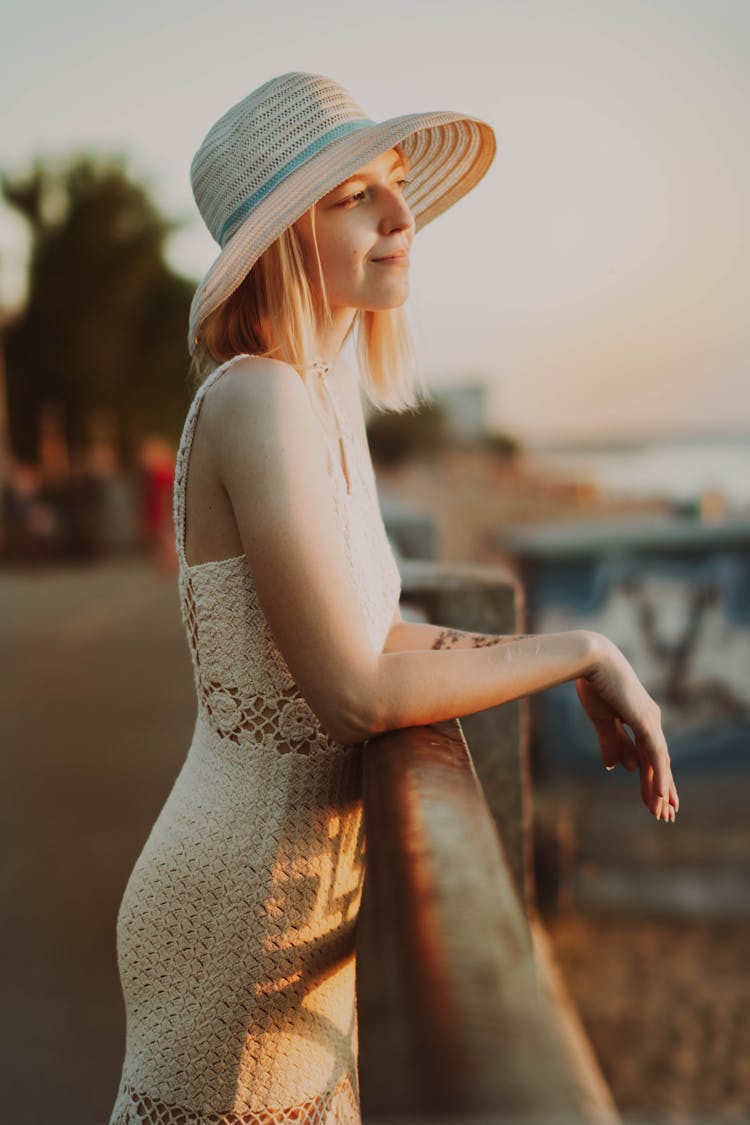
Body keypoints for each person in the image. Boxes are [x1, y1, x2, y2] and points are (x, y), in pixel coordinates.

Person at [109, 71, 679, 1125]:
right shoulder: (257, 398)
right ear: (284, 238)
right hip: (238, 919)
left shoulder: (323, 396)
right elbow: (361, 694)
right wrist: (588, 651)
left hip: (300, 916)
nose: (402, 217)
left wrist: (564, 647)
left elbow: (370, 631)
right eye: (354, 195)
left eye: (399, 183)